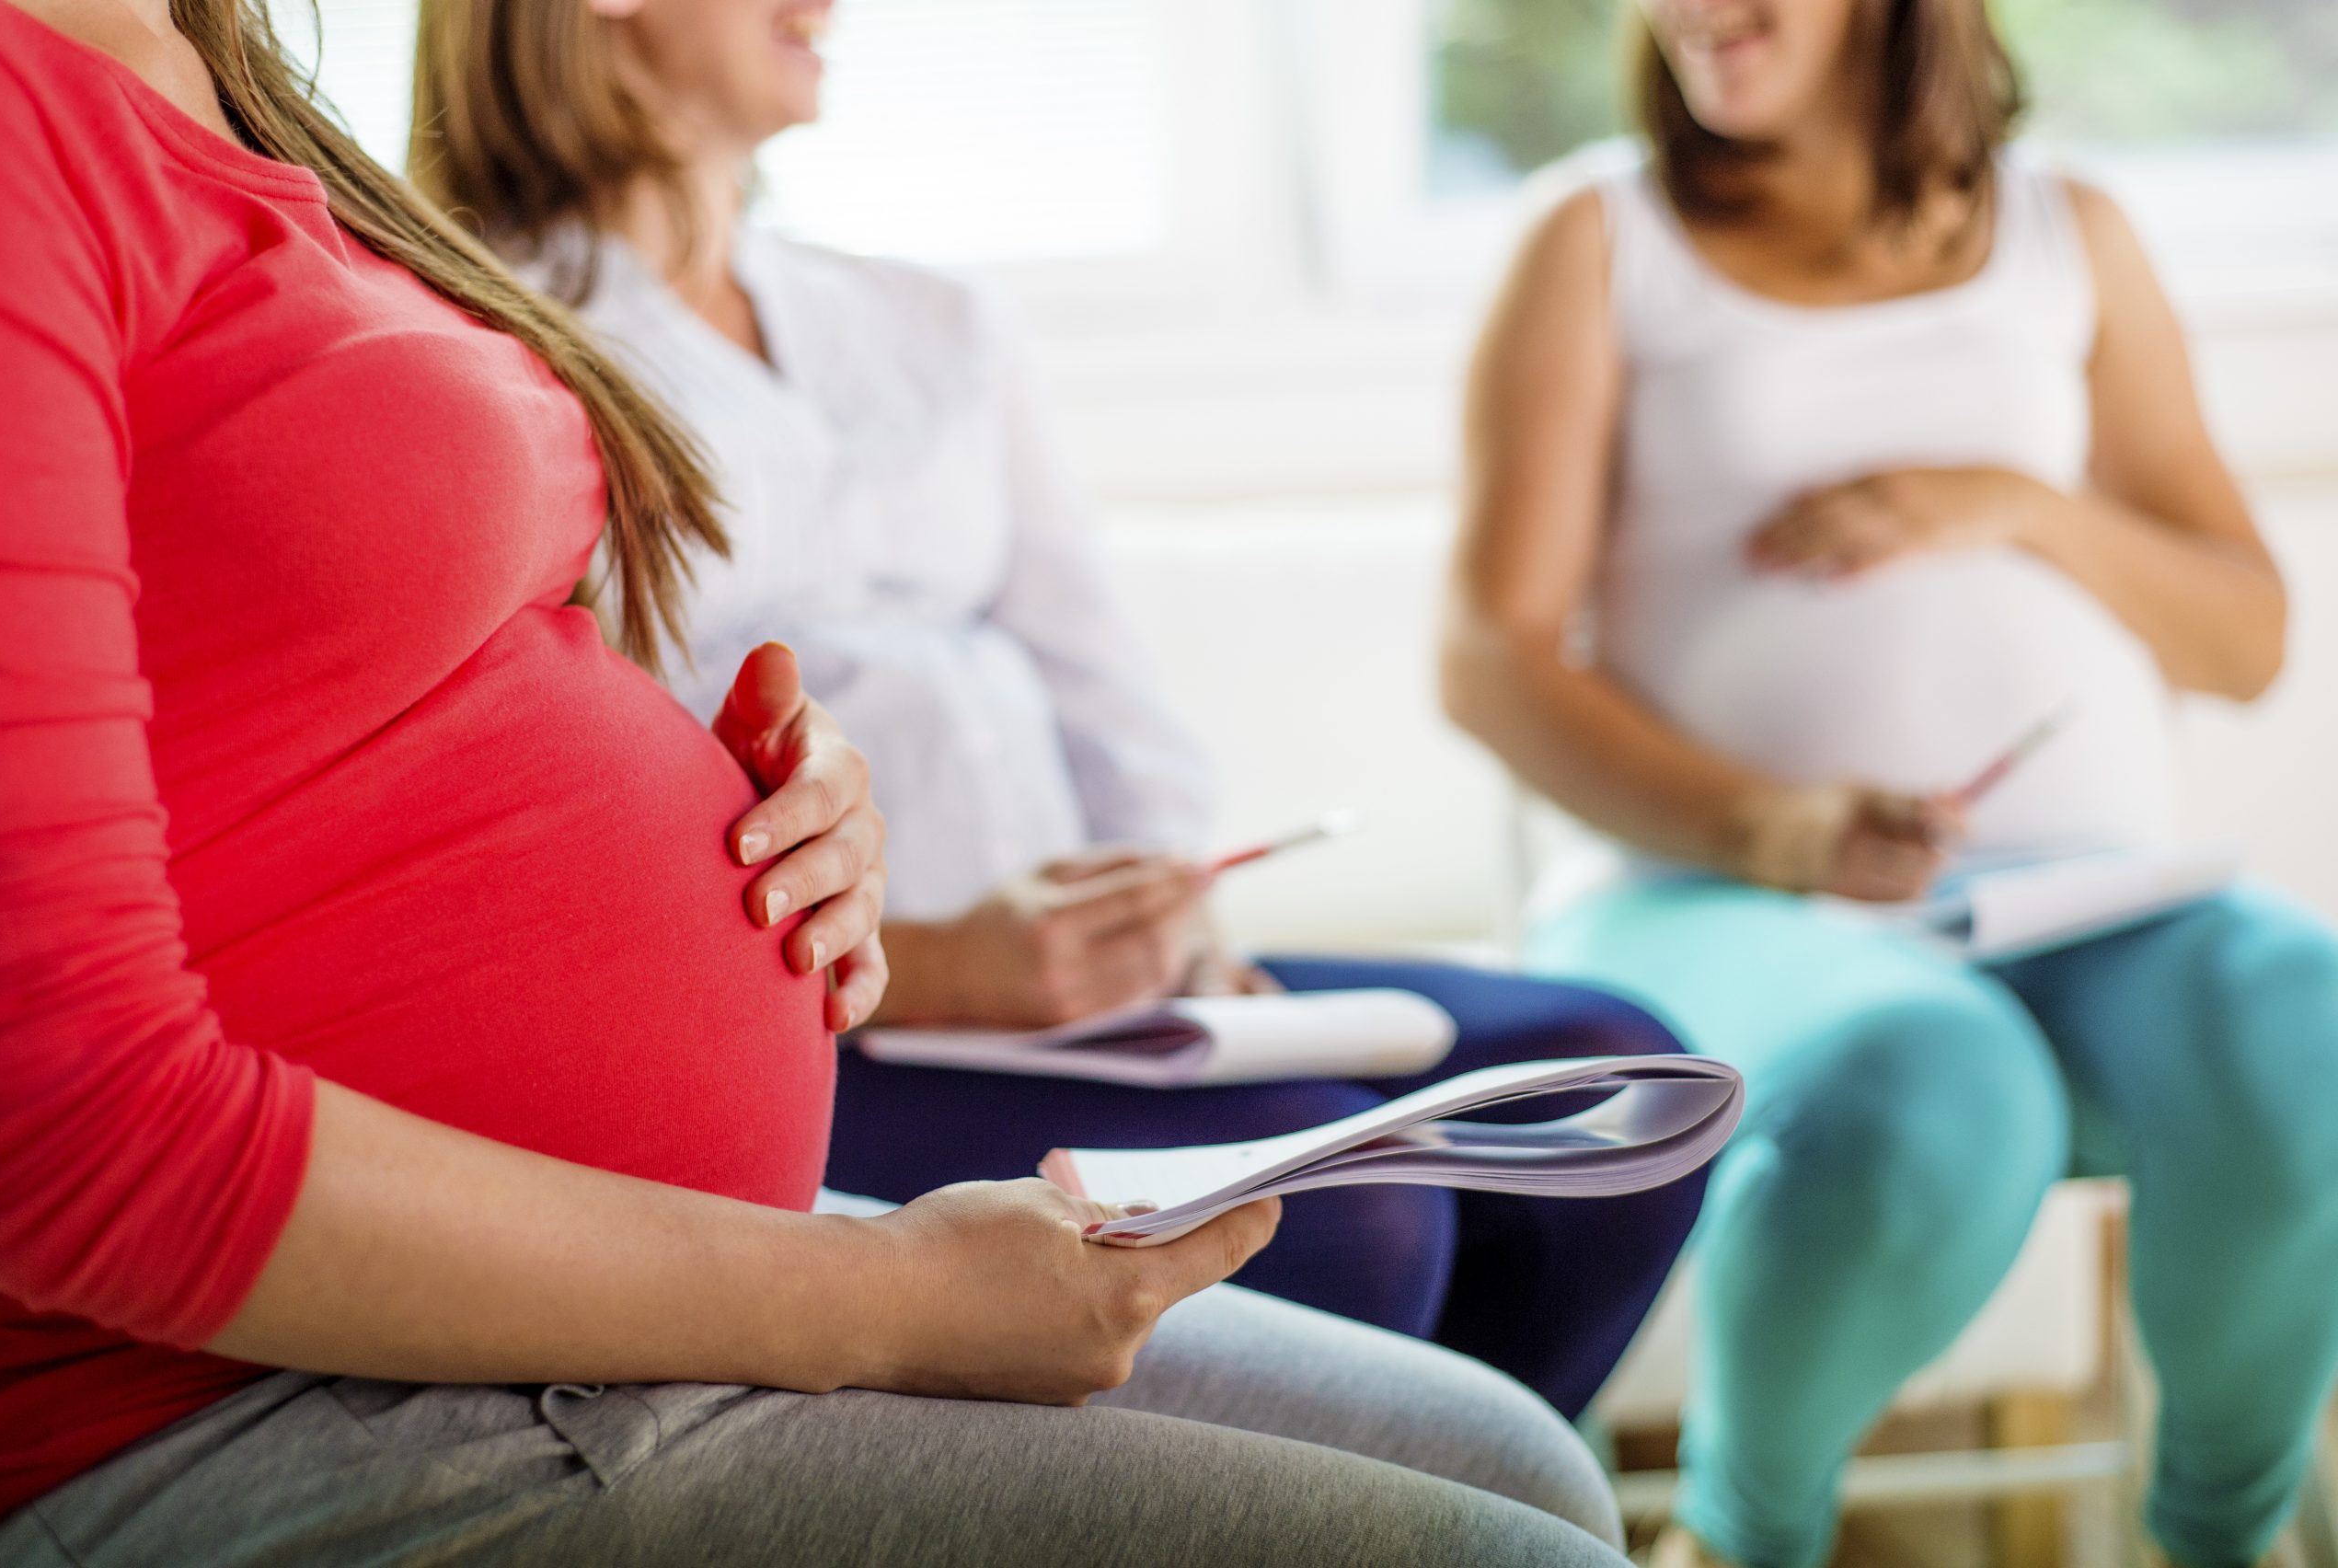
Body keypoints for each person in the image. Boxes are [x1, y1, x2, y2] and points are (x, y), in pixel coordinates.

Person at [0, 0, 1644, 1559]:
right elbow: (64, 1140)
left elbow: (320, 693)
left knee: (1523, 1459)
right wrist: (881, 1296)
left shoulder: (223, 82)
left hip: (596, 1261)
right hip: (222, 1390)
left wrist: (772, 814)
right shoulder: (13, 109)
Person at [408, 0, 1709, 1421]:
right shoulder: (476, 355)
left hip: (1089, 1002)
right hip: (833, 1036)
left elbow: (1098, 682)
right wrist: (948, 962)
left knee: (1609, 1077)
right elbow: (556, 845)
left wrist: (1171, 913)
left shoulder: (925, 317)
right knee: (1351, 1213)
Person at [1441, 0, 2338, 1563]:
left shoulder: (2074, 230)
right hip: (1701, 897)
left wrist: (2010, 504)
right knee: (1930, 1079)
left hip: (2086, 901)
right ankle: (1737, 1539)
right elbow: (1492, 659)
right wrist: (1769, 827)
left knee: (2311, 1020)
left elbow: (2245, 639)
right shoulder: (1598, 238)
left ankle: (2224, 1539)